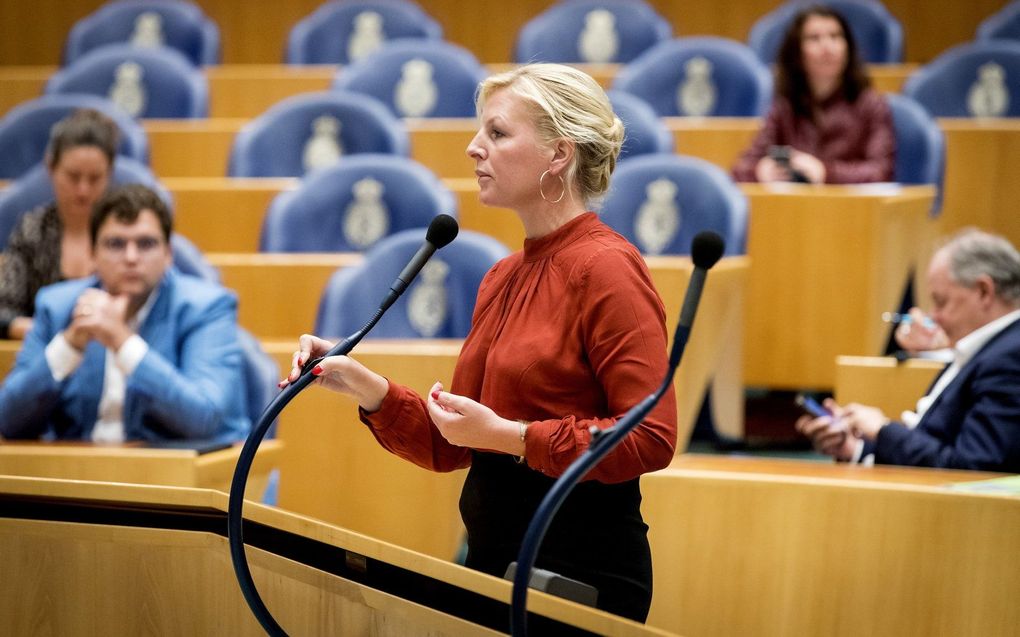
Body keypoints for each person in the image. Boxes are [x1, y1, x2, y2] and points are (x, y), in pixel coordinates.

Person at [283, 64, 677, 621]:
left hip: (577, 579)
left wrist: (513, 437)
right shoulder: (501, 275)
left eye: (497, 133)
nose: (473, 148)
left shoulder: (607, 268)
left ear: (558, 154)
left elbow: (651, 437)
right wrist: (364, 385)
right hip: (491, 570)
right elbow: (455, 446)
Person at [0, 184, 250, 444]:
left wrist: (122, 340)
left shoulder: (206, 307)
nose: (131, 257)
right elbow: (8, 420)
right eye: (115, 244)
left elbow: (203, 419)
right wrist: (69, 344)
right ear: (93, 255)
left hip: (173, 478)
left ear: (168, 255)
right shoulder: (58, 307)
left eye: (146, 244)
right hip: (79, 474)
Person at [796, 229, 1020, 472]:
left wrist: (883, 430)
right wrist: (854, 449)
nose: (933, 317)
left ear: (984, 291)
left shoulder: (1008, 359)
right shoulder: (984, 350)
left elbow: (970, 469)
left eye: (941, 301)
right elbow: (933, 445)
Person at [732, 5, 895, 184]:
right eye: (814, 38)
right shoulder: (785, 106)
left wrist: (825, 172)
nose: (827, 47)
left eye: (835, 36)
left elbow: (882, 171)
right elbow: (740, 169)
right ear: (797, 52)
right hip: (797, 208)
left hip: (849, 209)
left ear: (848, 47)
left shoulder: (870, 105)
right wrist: (760, 171)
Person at [0, 109, 120, 340]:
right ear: (51, 168)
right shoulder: (33, 230)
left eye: (95, 178)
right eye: (73, 177)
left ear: (110, 174)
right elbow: (3, 311)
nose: (83, 190)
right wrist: (54, 334)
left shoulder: (125, 233)